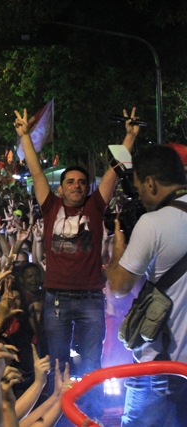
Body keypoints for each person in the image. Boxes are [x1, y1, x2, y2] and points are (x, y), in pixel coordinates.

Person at [14, 107, 139, 386]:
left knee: (93, 363)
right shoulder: (50, 206)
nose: (76, 186)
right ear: (61, 188)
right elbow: (36, 172)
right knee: (58, 363)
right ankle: (60, 405)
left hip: (91, 299)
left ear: (88, 188)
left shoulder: (94, 206)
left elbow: (113, 172)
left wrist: (129, 137)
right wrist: (25, 136)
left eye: (82, 183)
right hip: (56, 299)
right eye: (70, 182)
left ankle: (90, 405)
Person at [106, 144, 187, 426]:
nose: (139, 195)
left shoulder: (152, 223)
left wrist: (119, 248)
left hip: (162, 366)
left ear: (151, 183)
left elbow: (118, 286)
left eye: (139, 188)